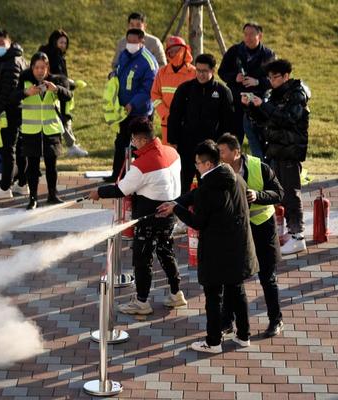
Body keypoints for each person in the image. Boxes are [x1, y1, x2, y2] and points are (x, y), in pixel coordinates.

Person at [157, 140, 258, 353]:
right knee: (237, 290)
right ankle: (243, 335)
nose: (196, 166)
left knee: (213, 296)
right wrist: (177, 203)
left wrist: (177, 209)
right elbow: (196, 197)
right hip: (238, 247)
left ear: (209, 164)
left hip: (216, 251)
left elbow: (197, 222)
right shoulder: (235, 178)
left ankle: (213, 342)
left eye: (198, 163)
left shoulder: (207, 190)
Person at [89, 117, 186, 314]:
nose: (133, 143)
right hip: (170, 213)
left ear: (142, 140)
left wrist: (99, 192)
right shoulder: (172, 152)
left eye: (134, 139)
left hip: (148, 217)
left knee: (142, 259)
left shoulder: (142, 165)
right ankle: (176, 294)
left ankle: (142, 302)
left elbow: (122, 189)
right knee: (166, 252)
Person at [217, 133, 284, 337]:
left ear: (236, 152)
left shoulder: (259, 166)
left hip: (263, 227)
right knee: (232, 277)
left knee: (267, 277)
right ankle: (227, 322)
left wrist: (258, 195)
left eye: (222, 151)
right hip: (238, 230)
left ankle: (276, 320)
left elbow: (279, 194)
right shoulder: (220, 171)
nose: (219, 155)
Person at [242, 59, 310, 255]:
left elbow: (288, 119)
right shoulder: (274, 95)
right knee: (281, 193)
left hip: (290, 150)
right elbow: (266, 120)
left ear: (286, 76)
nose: (271, 81)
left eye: (275, 77)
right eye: (269, 77)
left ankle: (298, 236)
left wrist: (264, 104)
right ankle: (291, 231)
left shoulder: (297, 94)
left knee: (291, 193)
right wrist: (252, 107)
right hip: (276, 150)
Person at [167, 53, 234, 194]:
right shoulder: (185, 89)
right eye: (198, 70)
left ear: (212, 71)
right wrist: (173, 141)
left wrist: (223, 146)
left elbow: (228, 122)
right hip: (187, 147)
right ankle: (180, 212)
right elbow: (174, 117)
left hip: (210, 149)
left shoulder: (222, 92)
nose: (200, 74)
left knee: (209, 187)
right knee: (182, 184)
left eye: (204, 71)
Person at [15, 52, 72, 209]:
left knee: (51, 166)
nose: (40, 71)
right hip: (30, 131)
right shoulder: (24, 80)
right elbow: (11, 98)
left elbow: (69, 95)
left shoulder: (56, 81)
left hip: (50, 131)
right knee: (32, 167)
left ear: (48, 68)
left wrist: (57, 89)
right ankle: (32, 198)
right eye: (37, 67)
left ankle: (52, 195)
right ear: (32, 68)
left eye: (43, 67)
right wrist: (25, 93)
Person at [105, 28, 157, 183]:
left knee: (140, 145)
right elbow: (120, 71)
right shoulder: (124, 54)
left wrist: (133, 104)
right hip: (123, 110)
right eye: (129, 41)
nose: (131, 44)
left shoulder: (148, 61)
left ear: (142, 41)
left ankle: (143, 176)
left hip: (139, 111)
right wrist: (114, 74)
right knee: (121, 142)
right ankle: (117, 175)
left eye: (134, 42)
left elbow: (148, 89)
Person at [0, 30, 29, 199]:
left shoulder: (11, 63)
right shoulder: (19, 59)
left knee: (8, 149)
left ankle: (4, 188)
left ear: (9, 42)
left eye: (1, 43)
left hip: (10, 111)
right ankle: (22, 184)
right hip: (19, 110)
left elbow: (8, 91)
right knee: (18, 148)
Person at [218, 22, 275, 156]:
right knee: (234, 138)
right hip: (237, 101)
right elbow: (221, 72)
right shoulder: (234, 51)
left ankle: (263, 169)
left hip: (258, 102)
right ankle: (233, 168)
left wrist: (257, 82)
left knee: (259, 139)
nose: (248, 37)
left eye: (251, 34)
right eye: (245, 34)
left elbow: (274, 80)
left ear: (259, 36)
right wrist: (234, 77)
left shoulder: (268, 54)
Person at [38, 29, 88, 157]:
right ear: (54, 42)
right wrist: (67, 82)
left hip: (58, 90)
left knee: (61, 119)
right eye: (61, 42)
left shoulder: (52, 54)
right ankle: (70, 146)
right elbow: (55, 75)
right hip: (54, 91)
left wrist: (69, 82)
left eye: (65, 43)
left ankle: (65, 146)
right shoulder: (52, 55)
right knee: (63, 119)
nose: (63, 45)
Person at [150, 36, 196, 145]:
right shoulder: (162, 72)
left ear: (185, 51)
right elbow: (155, 94)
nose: (175, 54)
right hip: (167, 122)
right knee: (169, 155)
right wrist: (165, 113)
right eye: (171, 51)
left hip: (187, 122)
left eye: (177, 50)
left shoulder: (193, 73)